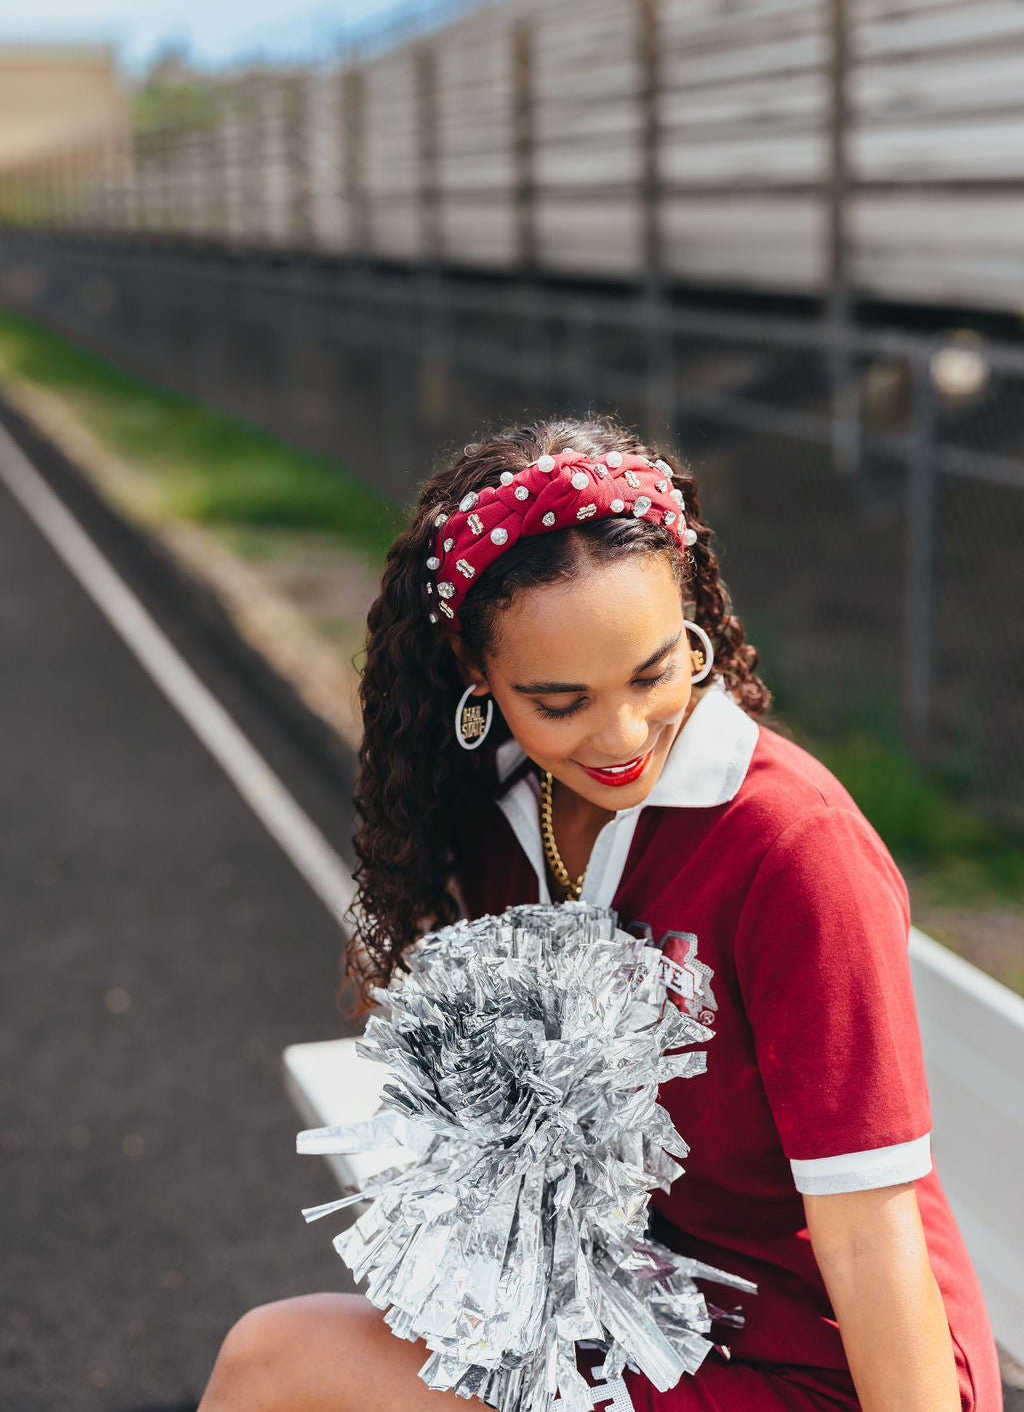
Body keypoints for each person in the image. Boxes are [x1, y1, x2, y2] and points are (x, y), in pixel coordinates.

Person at [198, 417, 1002, 1412]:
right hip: (639, 1314)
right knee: (279, 1358)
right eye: (560, 699)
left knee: (278, 1366)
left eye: (655, 671)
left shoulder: (794, 849)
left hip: (821, 1368)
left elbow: (868, 1230)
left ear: (692, 616)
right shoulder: (500, 810)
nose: (623, 736)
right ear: (475, 671)